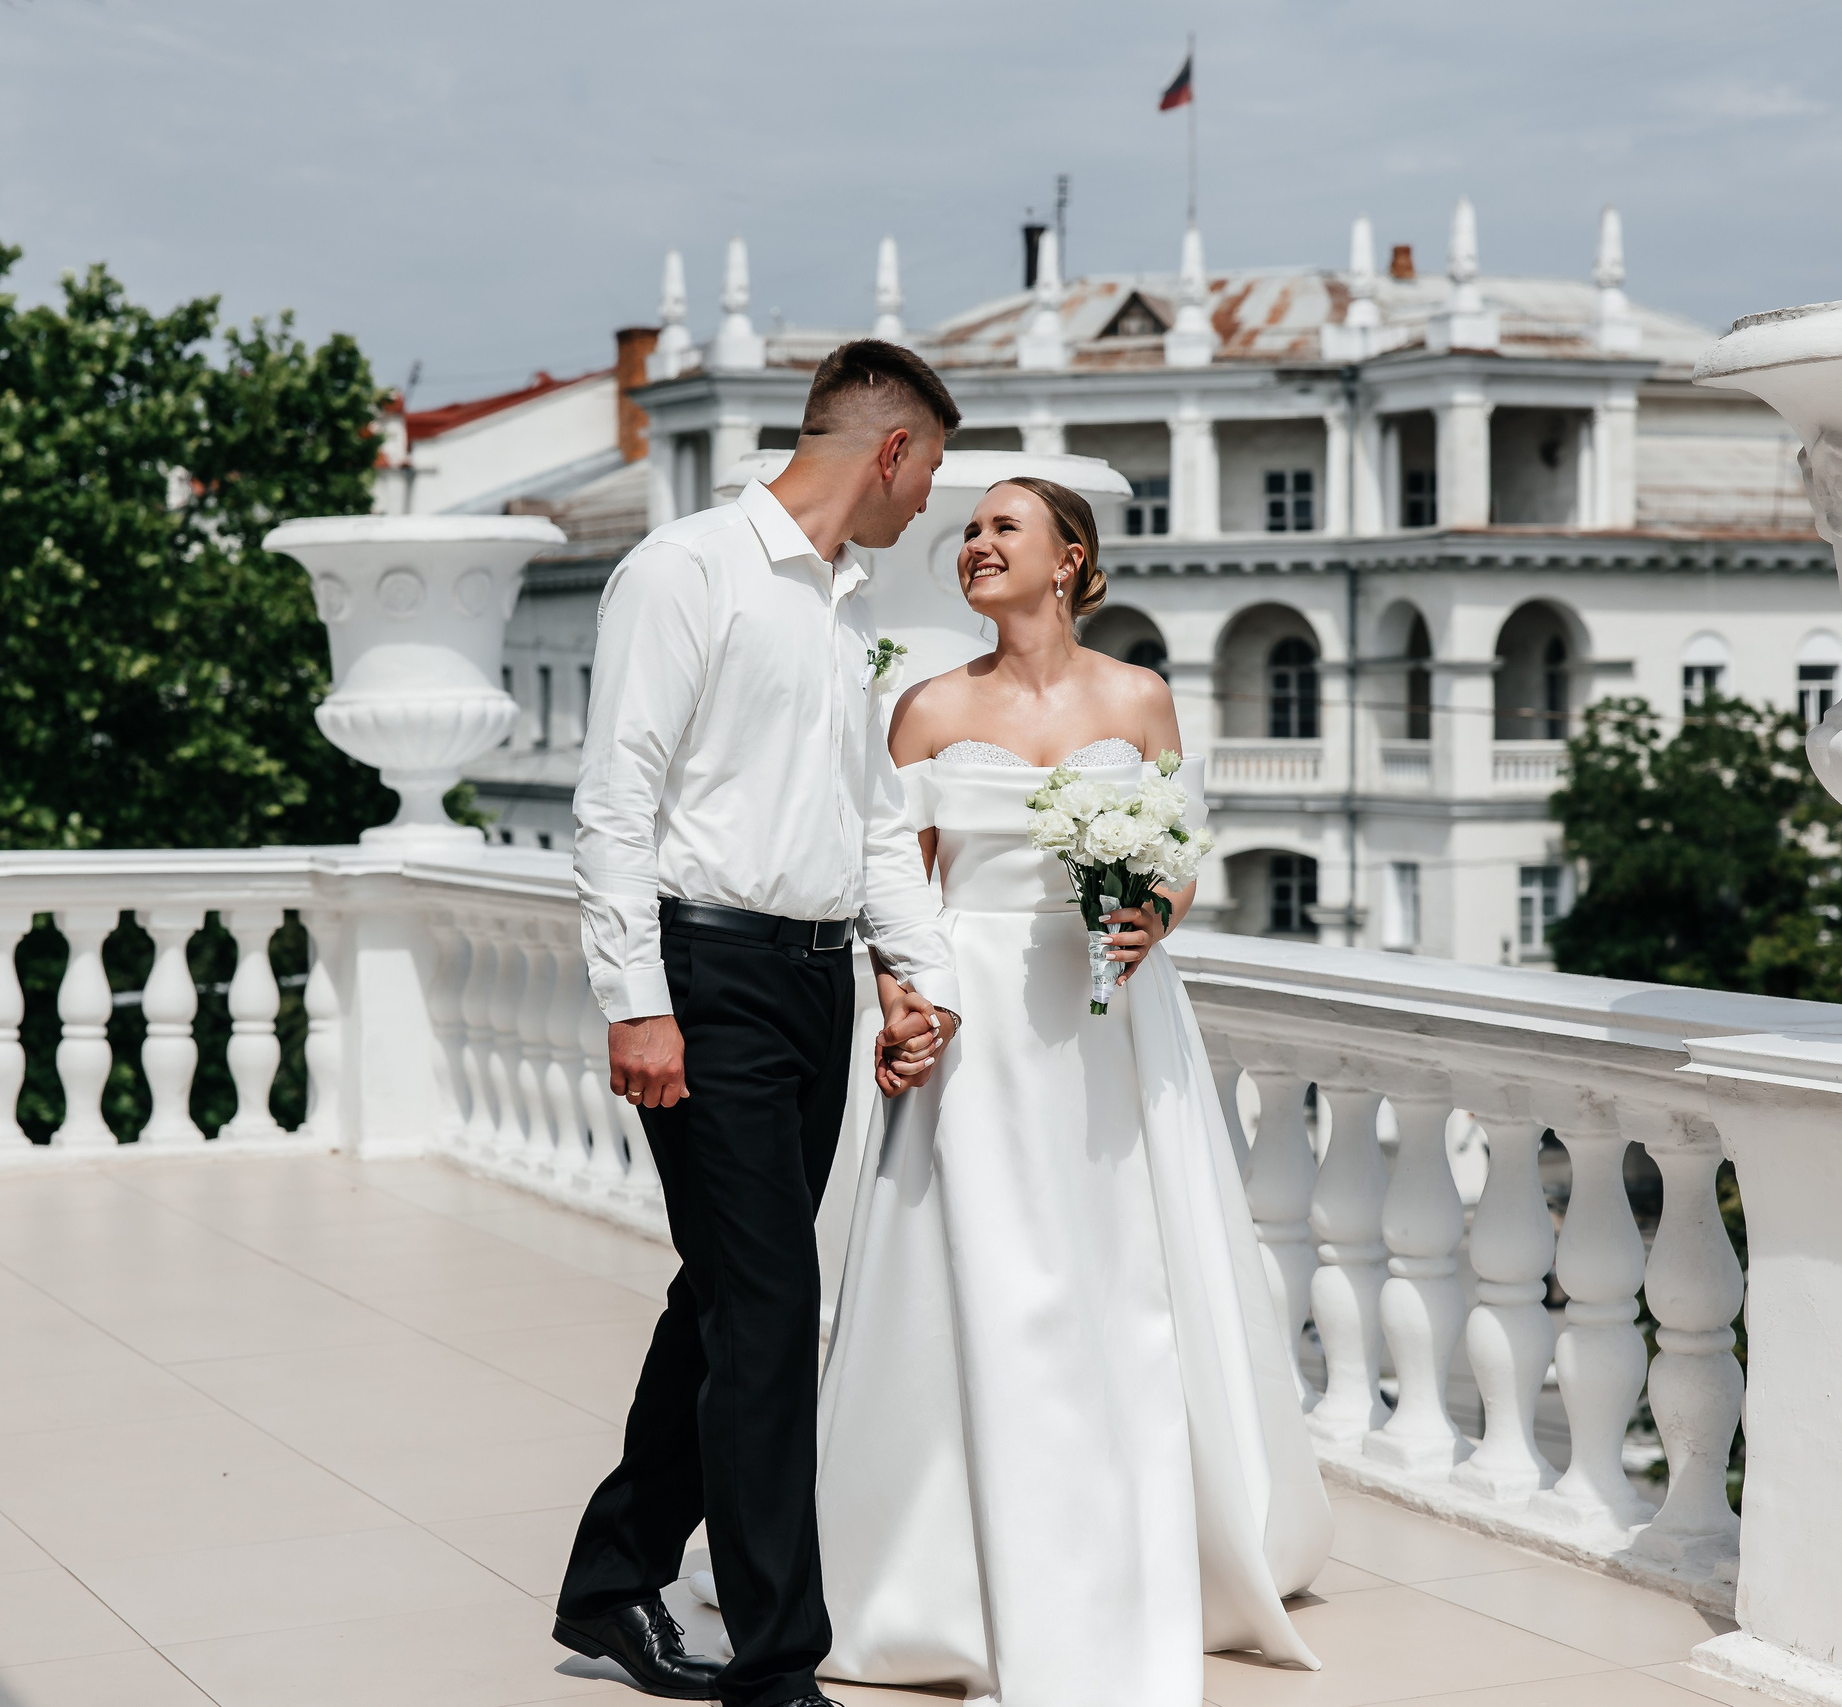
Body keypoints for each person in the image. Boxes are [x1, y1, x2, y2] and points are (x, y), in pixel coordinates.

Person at [813, 477, 1332, 1706]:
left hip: (1112, 1020)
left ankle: (1140, 1528)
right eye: (969, 534)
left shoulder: (1138, 696)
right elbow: (898, 886)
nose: (977, 547)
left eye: (1004, 528)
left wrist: (1154, 916)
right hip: (976, 1013)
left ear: (1069, 559)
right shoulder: (927, 708)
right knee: (984, 1274)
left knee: (1124, 1272)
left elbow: (1176, 857)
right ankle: (940, 1565)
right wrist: (902, 998)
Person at [557, 339, 964, 1707]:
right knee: (778, 1302)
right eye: (932, 476)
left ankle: (613, 1575)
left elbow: (859, 820)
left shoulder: (847, 610)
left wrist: (909, 967)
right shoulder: (685, 570)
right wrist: (638, 998)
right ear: (892, 451)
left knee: (731, 1291)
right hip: (706, 970)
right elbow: (616, 798)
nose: (930, 510)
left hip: (810, 980)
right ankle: (779, 1662)